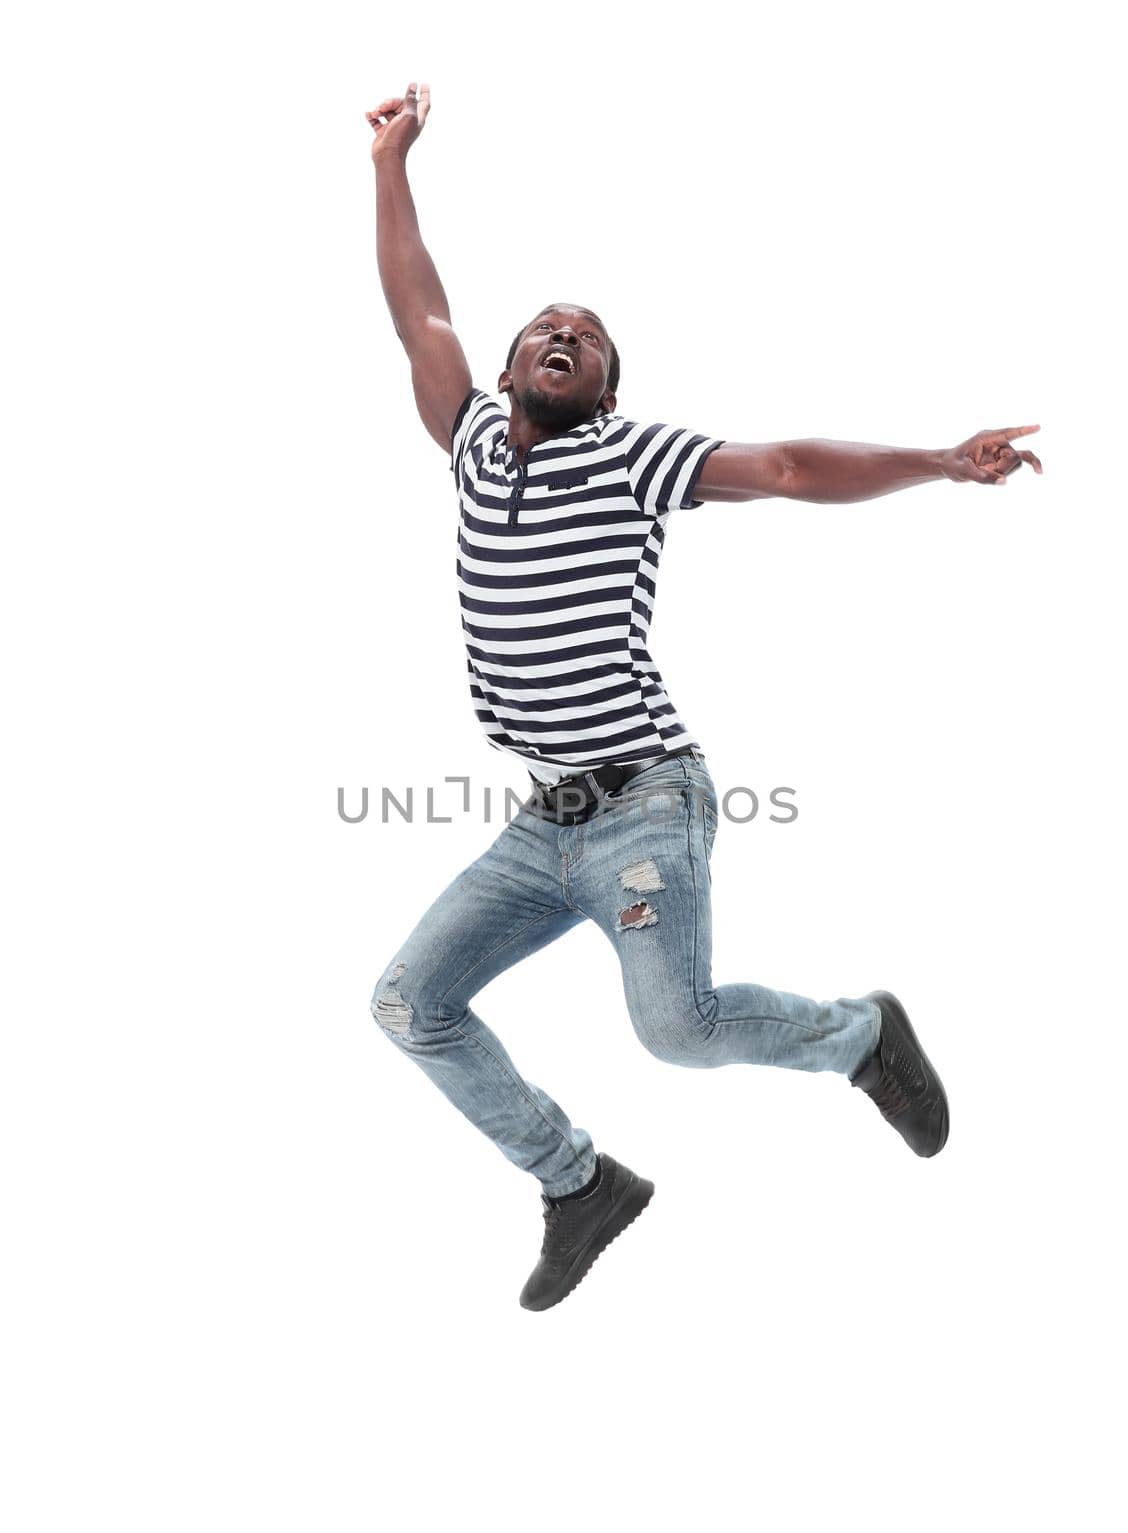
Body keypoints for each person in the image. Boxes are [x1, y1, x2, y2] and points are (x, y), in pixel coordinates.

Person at [364, 83, 1043, 1312]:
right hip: (542, 824)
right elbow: (418, 304)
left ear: (607, 386)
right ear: (512, 365)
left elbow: (783, 468)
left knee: (673, 1032)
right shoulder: (466, 436)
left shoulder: (629, 456)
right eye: (541, 330)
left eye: (588, 336)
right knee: (409, 1003)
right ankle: (577, 1184)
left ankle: (858, 1037)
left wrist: (942, 461)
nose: (560, 336)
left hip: (646, 807)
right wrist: (389, 160)